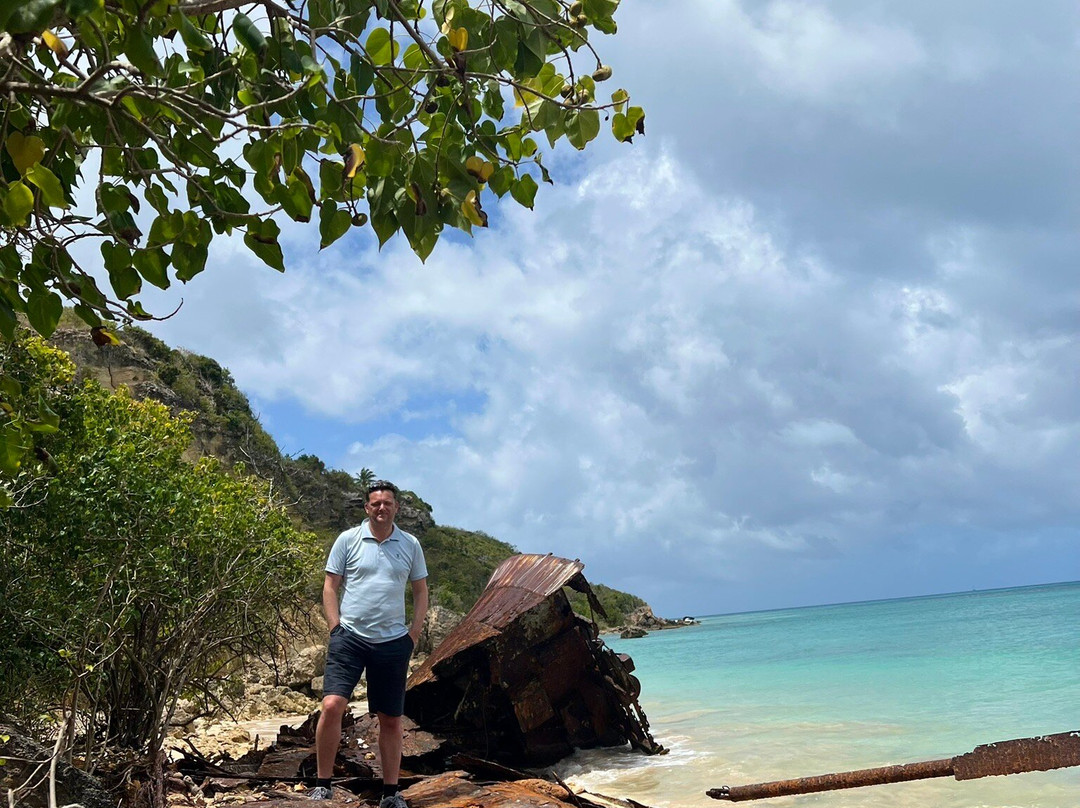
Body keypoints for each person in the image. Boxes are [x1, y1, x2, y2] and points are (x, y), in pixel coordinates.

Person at [309, 481, 429, 806]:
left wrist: (413, 634)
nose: (381, 508)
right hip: (349, 637)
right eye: (375, 503)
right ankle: (322, 784)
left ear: (396, 508)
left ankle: (390, 793)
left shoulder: (410, 544)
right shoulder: (348, 540)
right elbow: (330, 585)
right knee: (332, 705)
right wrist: (335, 627)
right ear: (366, 508)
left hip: (392, 642)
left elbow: (420, 591)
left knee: (390, 718)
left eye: (387, 503)